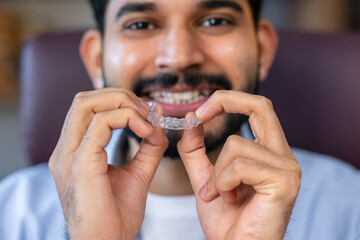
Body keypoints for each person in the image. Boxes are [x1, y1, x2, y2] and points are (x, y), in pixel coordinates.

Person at [0, 0, 359, 239]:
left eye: (215, 21)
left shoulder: (349, 209)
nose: (179, 57)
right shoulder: (12, 213)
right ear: (96, 60)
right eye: (141, 24)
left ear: (262, 48)